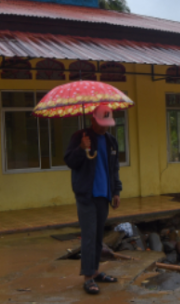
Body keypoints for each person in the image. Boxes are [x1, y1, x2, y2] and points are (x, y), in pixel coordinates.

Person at [64, 104, 122, 295]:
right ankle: (88, 277)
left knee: (97, 237)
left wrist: (116, 192)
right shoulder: (80, 137)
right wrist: (81, 148)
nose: (104, 127)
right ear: (92, 120)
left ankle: (95, 271)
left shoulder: (112, 141)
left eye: (107, 123)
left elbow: (114, 169)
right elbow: (70, 162)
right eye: (101, 123)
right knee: (88, 237)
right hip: (86, 195)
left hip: (103, 195)